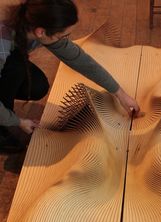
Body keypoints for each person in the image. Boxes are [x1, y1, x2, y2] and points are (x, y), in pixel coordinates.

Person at [0, 0, 140, 152]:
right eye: (63, 36)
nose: (65, 40)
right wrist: (17, 121)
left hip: (8, 60)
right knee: (16, 68)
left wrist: (119, 93)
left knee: (36, 85)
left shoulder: (34, 27)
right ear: (41, 32)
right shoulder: (2, 41)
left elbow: (79, 60)